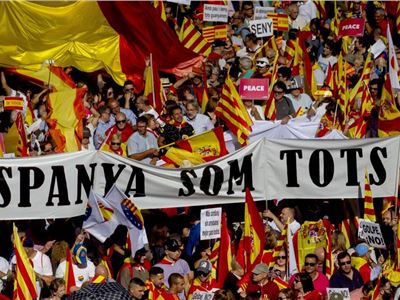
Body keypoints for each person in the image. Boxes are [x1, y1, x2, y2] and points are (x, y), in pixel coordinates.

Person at [265, 205, 300, 276]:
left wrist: (273, 216)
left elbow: (287, 233)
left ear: (290, 215)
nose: (280, 215)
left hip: (285, 261)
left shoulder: (296, 226)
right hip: (273, 259)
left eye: (283, 214)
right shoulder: (276, 222)